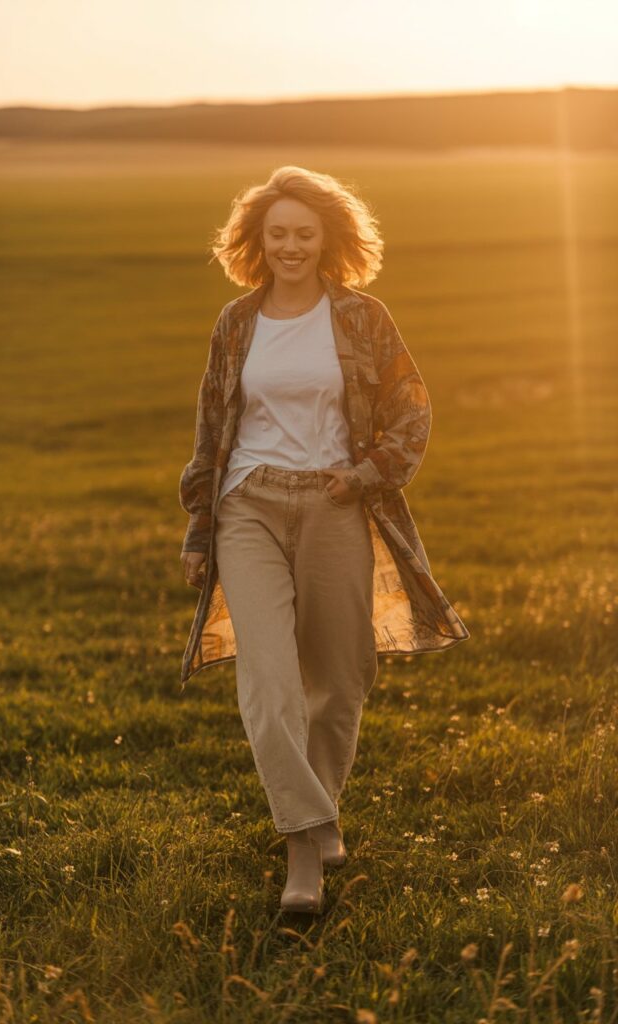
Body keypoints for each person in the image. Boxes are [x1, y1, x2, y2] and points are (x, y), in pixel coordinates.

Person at [179, 166, 470, 914]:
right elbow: (213, 427)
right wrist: (199, 527)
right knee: (269, 683)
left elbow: (412, 410)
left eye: (304, 233)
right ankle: (305, 845)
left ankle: (320, 804)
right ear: (257, 240)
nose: (290, 247)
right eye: (277, 234)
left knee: (341, 679)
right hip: (250, 502)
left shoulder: (363, 317)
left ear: (327, 238)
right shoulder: (236, 323)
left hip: (336, 502)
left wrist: (367, 474)